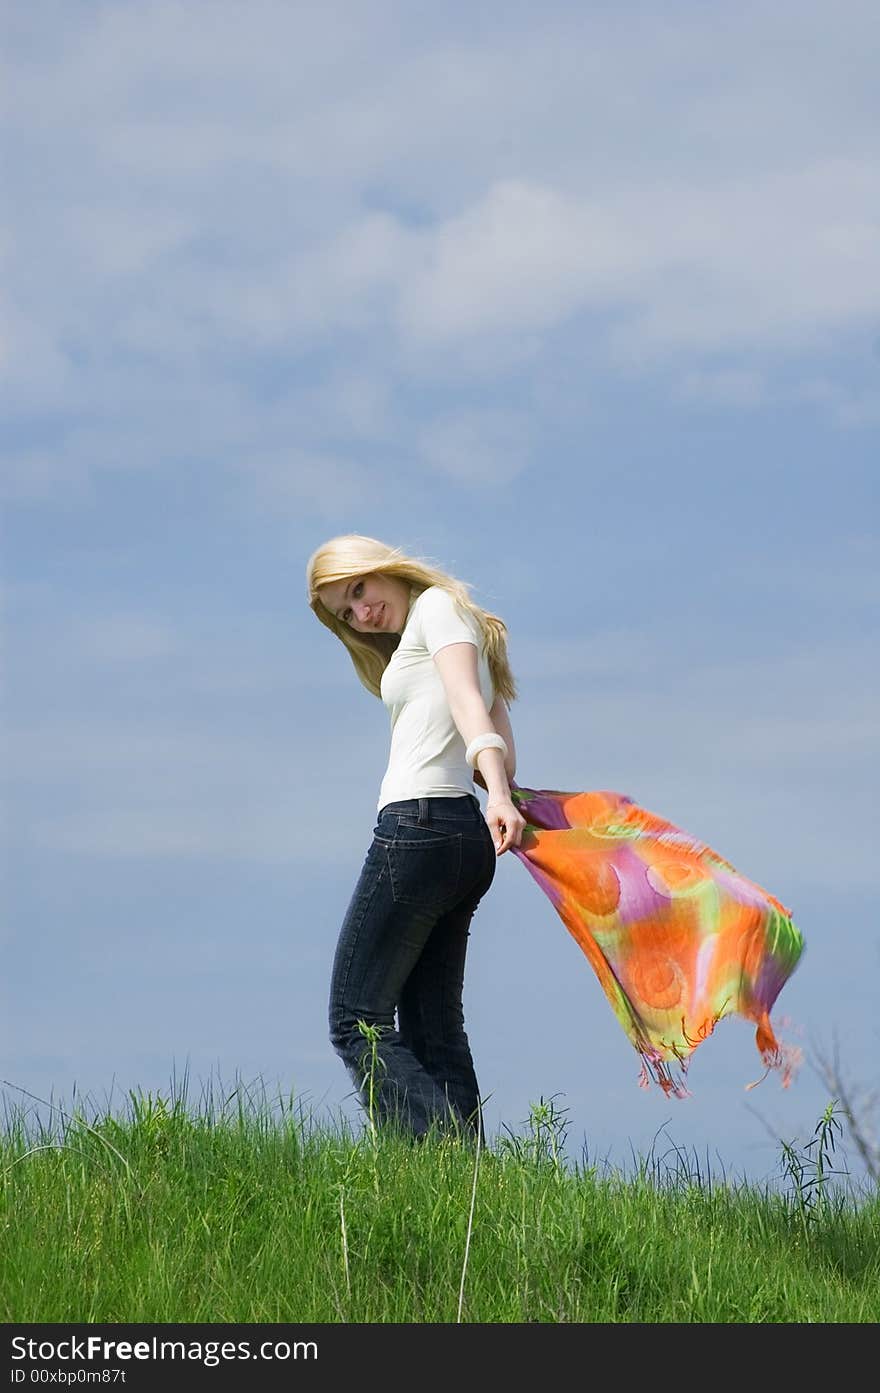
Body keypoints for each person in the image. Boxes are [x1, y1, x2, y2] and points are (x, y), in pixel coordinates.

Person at [307, 533, 526, 1142]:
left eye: (360, 590)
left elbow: (464, 702)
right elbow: (494, 734)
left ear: (384, 568)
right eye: (345, 612)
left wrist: (503, 798)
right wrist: (501, 789)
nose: (361, 613)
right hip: (459, 835)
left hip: (418, 827)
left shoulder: (434, 609)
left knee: (355, 1020)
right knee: (433, 1025)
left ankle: (446, 1156)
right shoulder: (454, 627)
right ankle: (470, 1193)